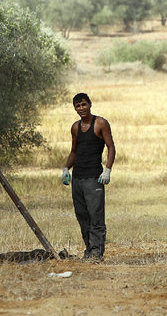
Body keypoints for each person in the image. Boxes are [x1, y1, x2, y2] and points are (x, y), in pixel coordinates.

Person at [62, 93, 116, 261]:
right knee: (82, 215)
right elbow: (74, 151)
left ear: (90, 104)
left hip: (94, 178)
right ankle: (89, 249)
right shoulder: (75, 127)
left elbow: (111, 147)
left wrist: (107, 170)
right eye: (77, 106)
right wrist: (66, 168)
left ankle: (97, 253)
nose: (81, 109)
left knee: (96, 215)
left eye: (84, 105)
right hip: (78, 177)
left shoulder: (100, 123)